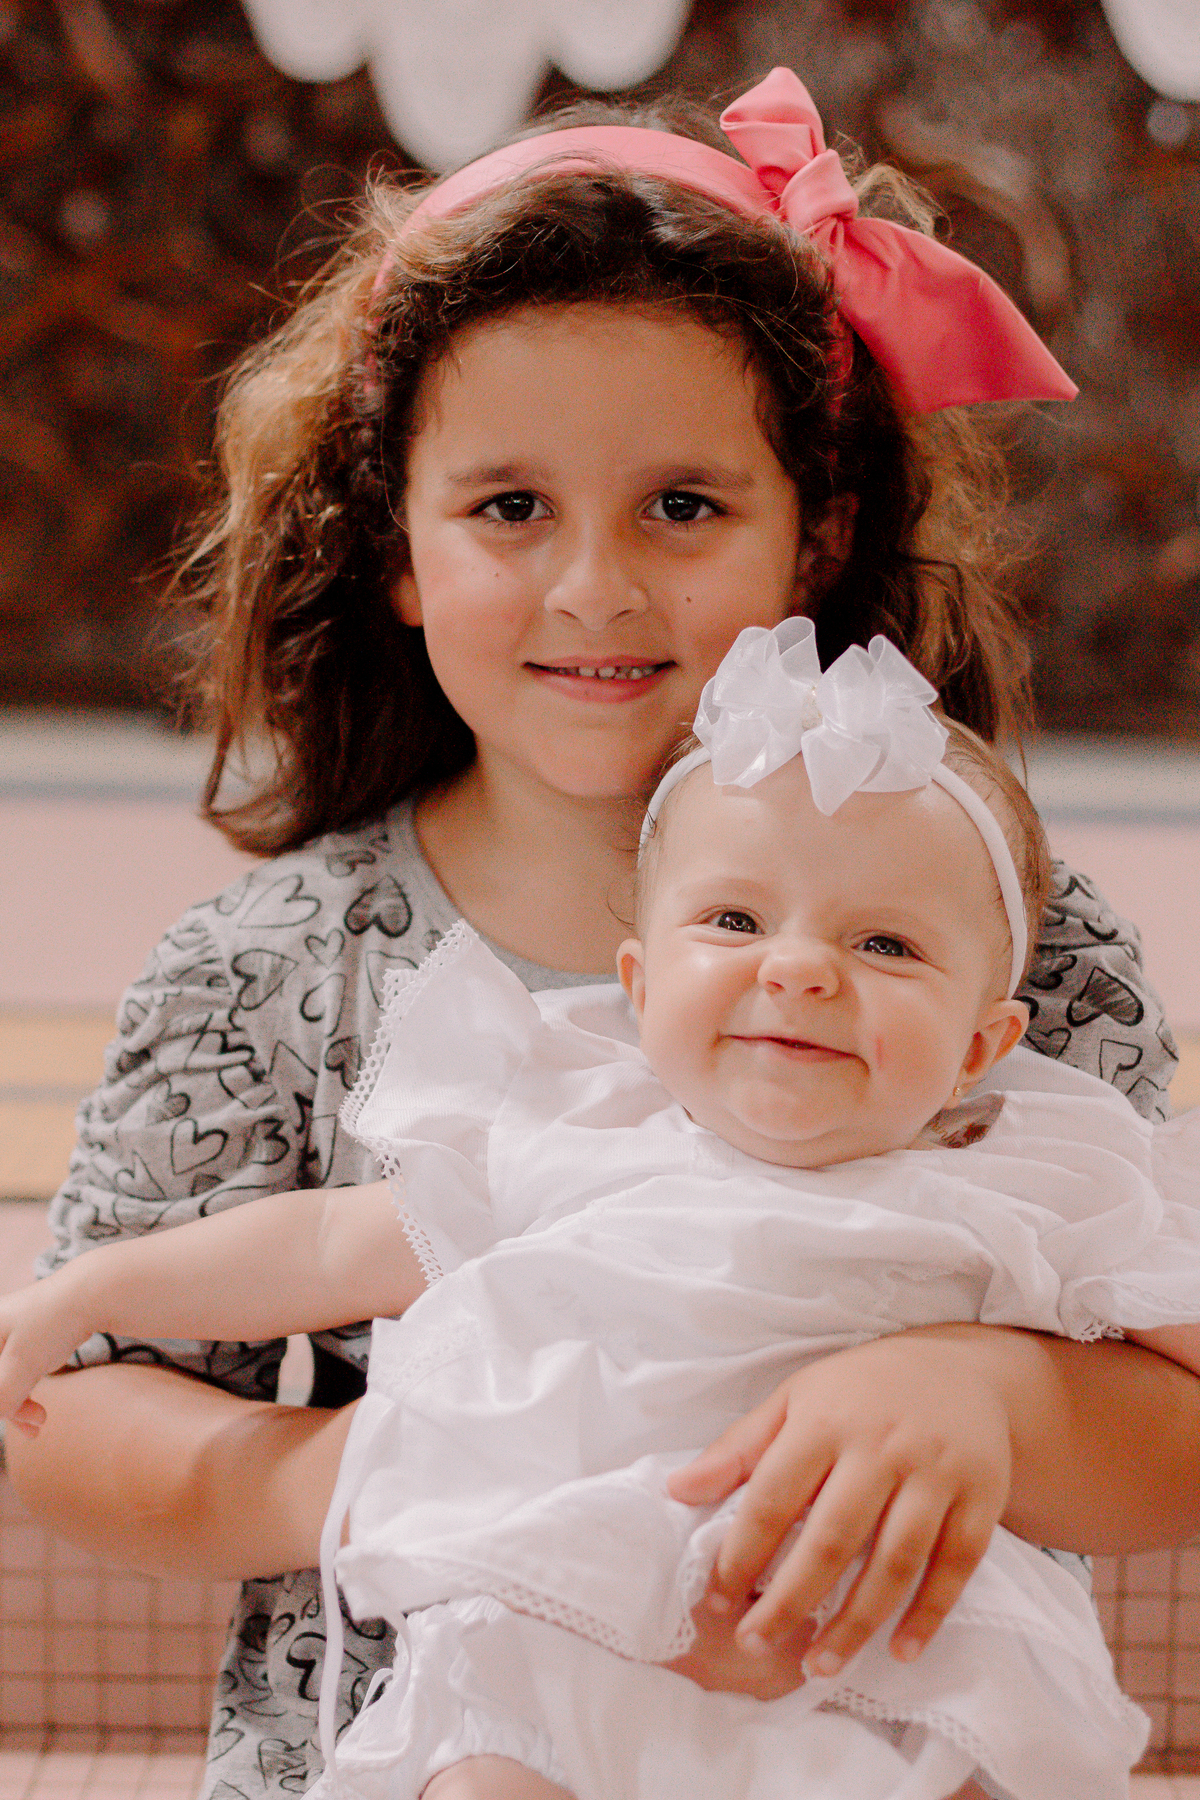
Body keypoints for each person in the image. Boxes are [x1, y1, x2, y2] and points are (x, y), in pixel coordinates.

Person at [5, 65, 1196, 1800]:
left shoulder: (1010, 947)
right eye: (509, 508)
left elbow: (1173, 1411)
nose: (594, 588)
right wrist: (436, 1470)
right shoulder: (271, 967)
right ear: (398, 549)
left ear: (817, 537)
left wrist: (981, 1399)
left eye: (683, 506)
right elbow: (80, 1413)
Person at [3, 620, 1198, 1800]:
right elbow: (321, 1247)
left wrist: (985, 1396)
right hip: (570, 1617)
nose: (797, 968)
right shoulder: (580, 1134)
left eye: (884, 943)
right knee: (484, 1774)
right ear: (638, 983)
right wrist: (99, 1288)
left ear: (984, 1044)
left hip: (886, 1644)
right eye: (734, 922)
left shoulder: (1032, 1174)